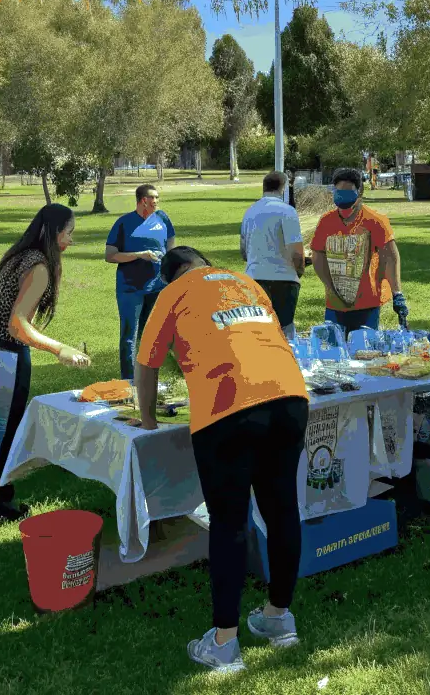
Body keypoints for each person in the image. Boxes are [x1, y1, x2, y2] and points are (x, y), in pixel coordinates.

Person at [135, 246, 309, 675]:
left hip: (230, 405)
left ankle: (224, 643)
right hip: (289, 396)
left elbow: (146, 363)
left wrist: (147, 417)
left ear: (170, 275)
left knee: (229, 520)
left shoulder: (172, 293)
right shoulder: (246, 283)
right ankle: (278, 617)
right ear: (206, 265)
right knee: (282, 508)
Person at [0, 203, 90, 524]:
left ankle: (0, 491)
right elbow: (17, 324)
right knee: (1, 424)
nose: (70, 241)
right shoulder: (38, 267)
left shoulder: (22, 255)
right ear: (54, 233)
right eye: (69, 234)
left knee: (6, 421)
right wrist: (59, 349)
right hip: (0, 348)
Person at [309, 166, 407, 335]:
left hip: (367, 303)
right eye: (338, 191)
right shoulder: (326, 221)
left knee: (364, 353)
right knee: (334, 355)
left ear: (359, 192)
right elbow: (318, 253)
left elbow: (390, 257)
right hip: (334, 304)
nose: (341, 196)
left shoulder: (375, 221)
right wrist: (329, 286)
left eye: (347, 192)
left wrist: (397, 293)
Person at [105, 183, 176, 380]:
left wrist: (168, 262)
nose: (157, 201)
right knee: (129, 337)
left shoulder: (163, 219)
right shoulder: (124, 223)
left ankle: (147, 378)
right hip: (130, 288)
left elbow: (170, 244)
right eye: (154, 198)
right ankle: (128, 380)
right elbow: (110, 255)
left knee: (151, 335)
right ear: (143, 201)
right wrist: (138, 255)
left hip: (157, 287)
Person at [240, 171, 305, 338]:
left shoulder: (249, 212)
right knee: (285, 331)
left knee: (259, 331)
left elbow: (244, 252)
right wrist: (300, 270)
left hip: (254, 278)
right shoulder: (287, 211)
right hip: (284, 280)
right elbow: (296, 253)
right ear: (283, 189)